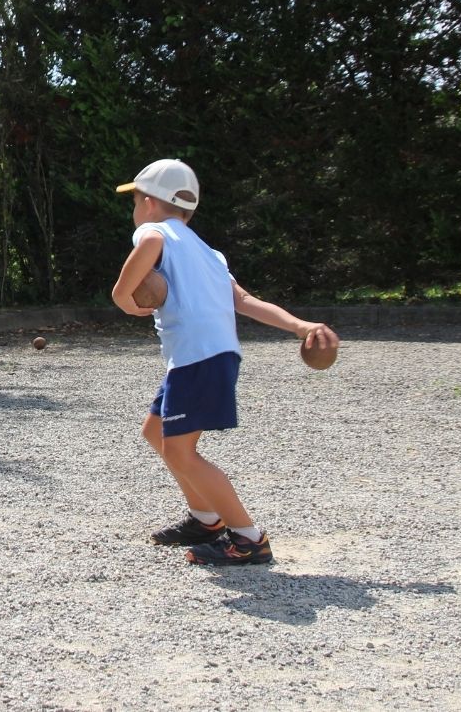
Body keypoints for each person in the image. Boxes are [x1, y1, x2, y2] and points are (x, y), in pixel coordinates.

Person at [111, 158, 340, 566]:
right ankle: (206, 519)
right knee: (155, 431)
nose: (136, 211)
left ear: (148, 202)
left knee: (181, 452)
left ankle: (249, 538)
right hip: (209, 356)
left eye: (135, 202)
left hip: (199, 357)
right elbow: (245, 301)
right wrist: (299, 325)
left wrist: (123, 297)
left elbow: (147, 245)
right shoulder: (208, 253)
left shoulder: (153, 231)